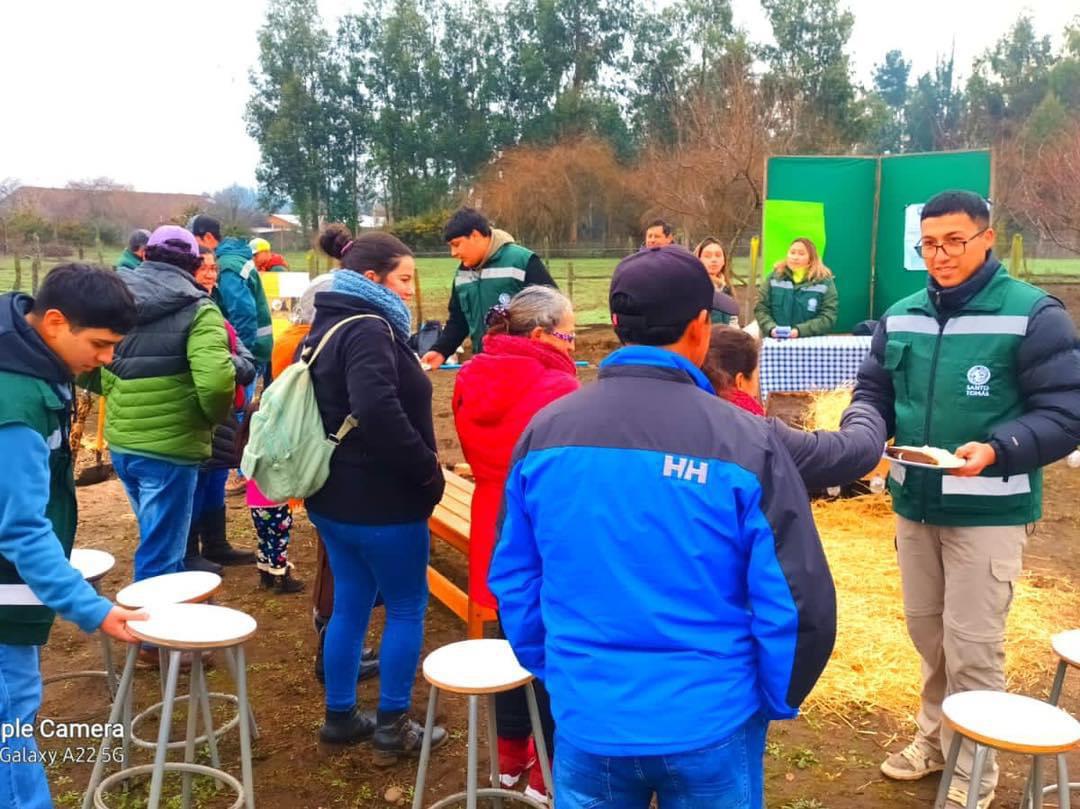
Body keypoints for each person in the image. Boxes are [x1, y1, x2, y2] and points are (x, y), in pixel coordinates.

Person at [489, 245, 837, 808]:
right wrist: (774, 696)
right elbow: (799, 599)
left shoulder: (546, 431)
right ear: (700, 327)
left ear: (618, 325)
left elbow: (514, 575)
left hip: (589, 714)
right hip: (711, 717)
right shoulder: (746, 440)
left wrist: (557, 670)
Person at [852, 190, 1080, 809]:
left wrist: (1000, 448)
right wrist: (865, 436)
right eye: (929, 244)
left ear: (986, 239)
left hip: (989, 511)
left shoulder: (1033, 314)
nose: (941, 255)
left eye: (954, 241)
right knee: (929, 636)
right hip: (915, 503)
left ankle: (973, 770)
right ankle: (935, 740)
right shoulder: (901, 315)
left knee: (973, 647)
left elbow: (1066, 411)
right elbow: (872, 392)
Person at [0, 264, 147, 808]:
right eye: (100, 344)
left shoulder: (27, 348)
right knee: (10, 724)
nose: (106, 359)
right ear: (56, 322)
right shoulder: (15, 405)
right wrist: (91, 608)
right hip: (5, 593)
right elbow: (21, 529)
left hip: (14, 587)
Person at [306, 225, 446, 758]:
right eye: (404, 279)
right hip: (382, 501)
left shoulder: (329, 321)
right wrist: (425, 471)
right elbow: (377, 409)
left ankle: (340, 716)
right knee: (407, 607)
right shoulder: (369, 328)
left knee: (351, 604)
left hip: (334, 497)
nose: (410, 290)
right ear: (373, 277)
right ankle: (393, 726)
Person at [452, 286, 580, 802]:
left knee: (509, 639)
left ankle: (509, 760)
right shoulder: (559, 387)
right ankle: (550, 769)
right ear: (541, 334)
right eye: (569, 334)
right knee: (549, 650)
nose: (574, 345)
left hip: (491, 516)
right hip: (543, 525)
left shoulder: (470, 374)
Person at [89, 226, 237, 581]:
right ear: (192, 264)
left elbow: (85, 359)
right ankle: (153, 616)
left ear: (146, 255)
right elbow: (217, 383)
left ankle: (165, 606)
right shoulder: (199, 308)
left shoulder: (114, 301)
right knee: (162, 555)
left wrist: (115, 390)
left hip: (123, 442)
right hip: (172, 448)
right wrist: (209, 420)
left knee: (156, 535)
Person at [703, 323, 887, 491]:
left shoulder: (689, 418)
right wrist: (867, 403)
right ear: (740, 382)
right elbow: (854, 452)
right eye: (756, 375)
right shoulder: (758, 435)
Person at [185, 247, 258, 572]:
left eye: (213, 268)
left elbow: (243, 356)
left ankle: (216, 544)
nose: (210, 274)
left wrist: (229, 362)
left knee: (216, 474)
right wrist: (227, 361)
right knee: (197, 480)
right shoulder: (187, 311)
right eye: (202, 268)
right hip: (200, 406)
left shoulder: (215, 307)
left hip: (223, 406)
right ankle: (190, 552)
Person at [421, 207, 556, 369]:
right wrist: (440, 351)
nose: (453, 253)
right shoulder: (462, 273)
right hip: (485, 364)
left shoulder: (522, 261)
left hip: (525, 365)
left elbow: (554, 310)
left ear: (475, 235)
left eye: (456, 244)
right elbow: (458, 320)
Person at [189, 214, 273, 371]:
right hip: (255, 346)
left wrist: (238, 358)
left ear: (208, 237)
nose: (192, 248)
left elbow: (243, 314)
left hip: (248, 352)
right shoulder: (231, 258)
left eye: (194, 240)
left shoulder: (227, 267)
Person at [755, 237, 838, 338]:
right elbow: (761, 308)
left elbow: (828, 316)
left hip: (810, 341)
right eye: (792, 252)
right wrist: (771, 328)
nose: (795, 257)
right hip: (775, 340)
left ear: (811, 258)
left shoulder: (824, 281)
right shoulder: (774, 278)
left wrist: (799, 331)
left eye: (801, 254)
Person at [696, 237, 736, 325]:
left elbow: (733, 321)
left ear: (724, 261)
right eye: (707, 256)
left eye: (718, 255)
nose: (713, 260)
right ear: (698, 260)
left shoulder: (726, 288)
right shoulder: (693, 288)